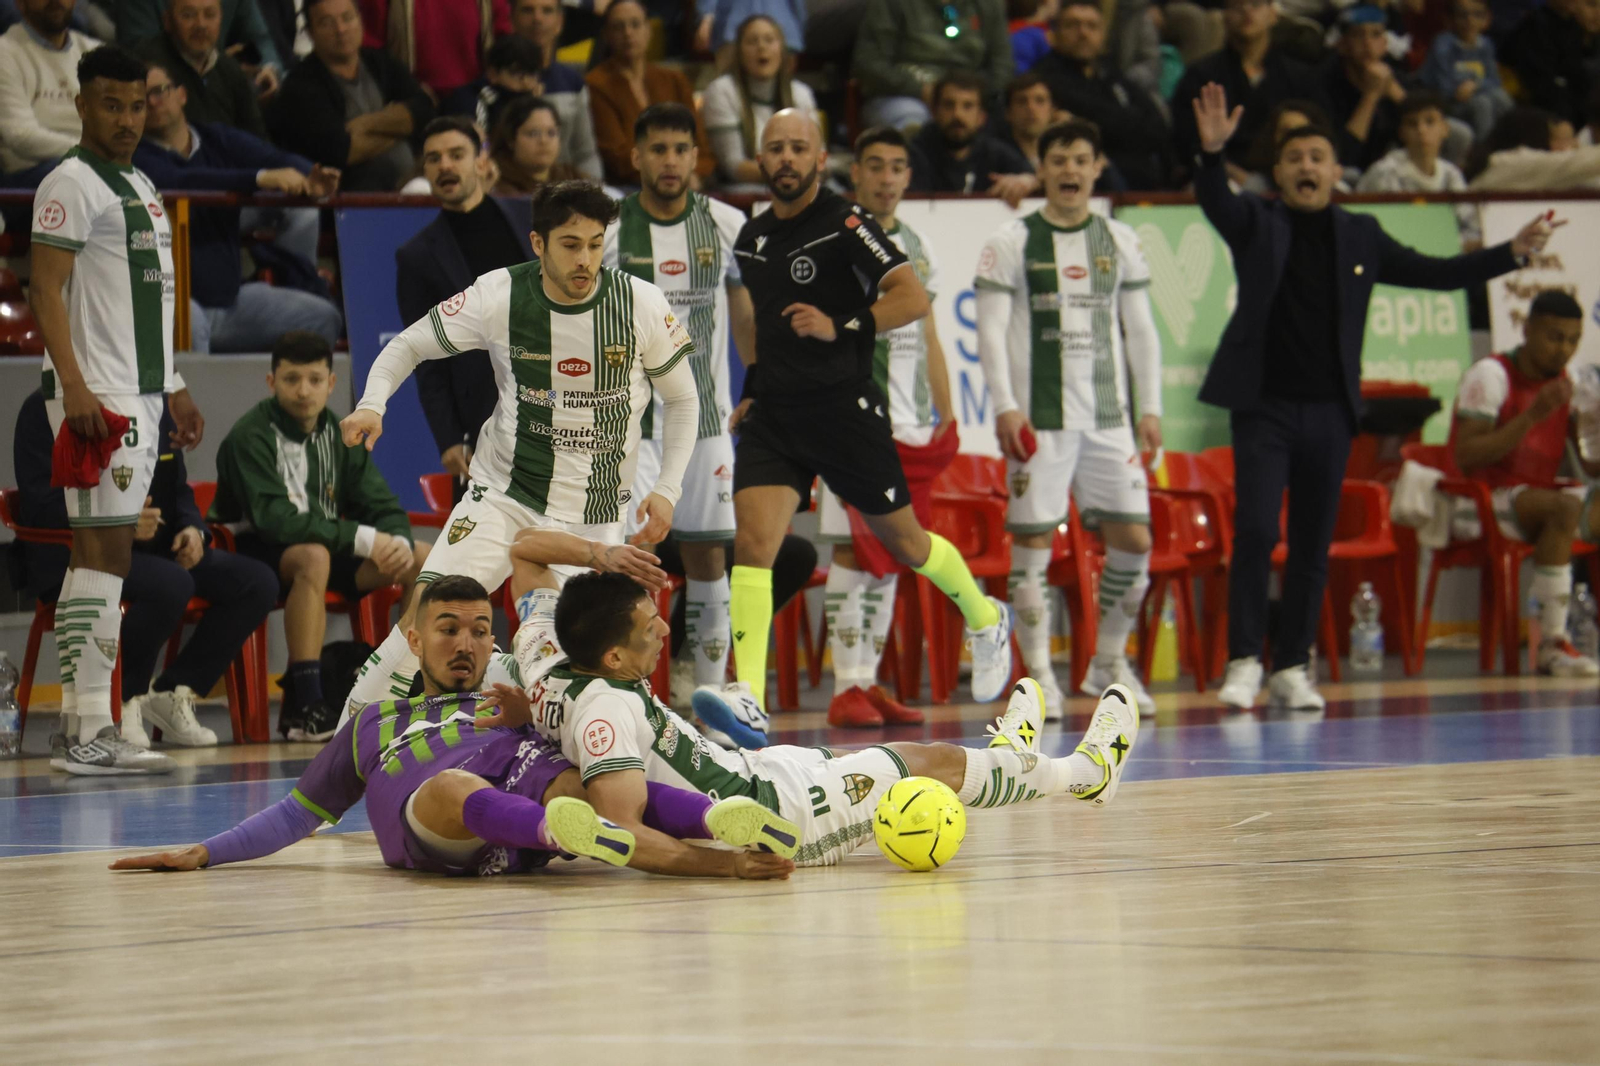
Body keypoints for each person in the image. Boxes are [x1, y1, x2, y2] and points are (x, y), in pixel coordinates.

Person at [1189, 82, 1561, 710]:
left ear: (1337, 171)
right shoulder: (1257, 222)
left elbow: (1438, 274)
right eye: (1295, 158)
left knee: (1313, 542)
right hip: (1264, 408)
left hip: (1331, 411)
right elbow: (1214, 203)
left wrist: (1509, 254)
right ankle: (1245, 661)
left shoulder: (1360, 234)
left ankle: (1293, 667)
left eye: (1318, 158)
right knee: (1254, 532)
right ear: (1277, 173)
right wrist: (1208, 157)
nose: (1307, 167)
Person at [109, 574, 800, 880]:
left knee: (585, 786)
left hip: (534, 815)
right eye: (448, 629)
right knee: (452, 785)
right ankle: (563, 830)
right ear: (413, 639)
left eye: (478, 629)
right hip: (445, 826)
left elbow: (614, 786)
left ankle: (723, 829)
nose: (466, 643)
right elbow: (298, 814)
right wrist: (204, 852)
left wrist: (730, 867)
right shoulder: (374, 725)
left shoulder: (510, 701)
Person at [507, 551, 1140, 871]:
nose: (665, 633)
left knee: (895, 760)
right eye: (651, 630)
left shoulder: (542, 659)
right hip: (779, 817)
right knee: (931, 763)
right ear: (615, 657)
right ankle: (1085, 775)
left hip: (754, 769)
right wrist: (728, 868)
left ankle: (1008, 760)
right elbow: (621, 830)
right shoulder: (603, 716)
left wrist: (601, 558)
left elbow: (525, 551)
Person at [336, 180, 703, 725]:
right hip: (503, 495)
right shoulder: (499, 295)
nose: (585, 260)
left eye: (596, 244)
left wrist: (668, 491)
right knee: (424, 613)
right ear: (538, 243)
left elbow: (684, 400)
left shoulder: (639, 303)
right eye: (570, 245)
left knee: (579, 673)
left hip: (592, 522)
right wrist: (372, 405)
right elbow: (408, 345)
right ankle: (340, 761)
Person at [706, 109, 1015, 725]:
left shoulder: (847, 223)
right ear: (760, 161)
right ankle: (750, 702)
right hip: (775, 417)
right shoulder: (751, 237)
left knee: (906, 544)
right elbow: (764, 329)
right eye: (775, 149)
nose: (787, 159)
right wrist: (756, 387)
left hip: (844, 409)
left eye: (799, 148)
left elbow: (912, 296)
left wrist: (842, 324)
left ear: (822, 160)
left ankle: (985, 619)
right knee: (753, 544)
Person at [27, 44, 206, 775]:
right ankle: (92, 730)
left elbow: (149, 302)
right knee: (106, 555)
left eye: (139, 104)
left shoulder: (138, 181)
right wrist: (73, 385)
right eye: (112, 104)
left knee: (95, 557)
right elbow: (44, 288)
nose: (129, 118)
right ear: (80, 103)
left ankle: (79, 724)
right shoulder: (67, 183)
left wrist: (174, 382)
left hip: (136, 390)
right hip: (96, 393)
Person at [975, 119, 1162, 720]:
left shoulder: (1119, 240)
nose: (1071, 171)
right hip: (1040, 420)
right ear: (1042, 166)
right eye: (1059, 160)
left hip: (1109, 421)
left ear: (1097, 167)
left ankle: (1107, 661)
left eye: (1082, 160)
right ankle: (1040, 679)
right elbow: (991, 332)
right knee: (1031, 546)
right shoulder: (1010, 241)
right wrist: (1004, 403)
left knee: (1135, 540)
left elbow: (1142, 333)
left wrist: (1151, 408)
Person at [14, 389, 278, 757]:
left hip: (157, 546)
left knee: (257, 583)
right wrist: (116, 522)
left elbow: (177, 485)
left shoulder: (148, 399)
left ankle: (171, 691)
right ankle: (122, 698)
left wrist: (193, 530)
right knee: (171, 584)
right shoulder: (45, 406)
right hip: (80, 551)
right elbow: (39, 505)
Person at [602, 103, 753, 712]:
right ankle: (627, 696)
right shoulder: (609, 228)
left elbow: (743, 307)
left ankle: (710, 699)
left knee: (709, 553)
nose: (670, 162)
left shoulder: (727, 223)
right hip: (633, 426)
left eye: (680, 150)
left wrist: (758, 381)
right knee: (629, 556)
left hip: (708, 422)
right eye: (657, 150)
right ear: (636, 156)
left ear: (696, 156)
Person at [211, 331, 430, 742]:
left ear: (331, 383)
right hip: (256, 553)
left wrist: (396, 540)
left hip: (328, 547)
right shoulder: (250, 436)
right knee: (313, 557)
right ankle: (307, 705)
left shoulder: (339, 432)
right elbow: (277, 521)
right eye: (292, 379)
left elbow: (380, 502)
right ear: (271, 381)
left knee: (421, 556)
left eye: (314, 379)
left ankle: (402, 683)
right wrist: (366, 541)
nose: (303, 390)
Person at [815, 126, 955, 730]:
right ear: (856, 175)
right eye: (876, 166)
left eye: (898, 167)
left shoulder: (914, 243)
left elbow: (927, 334)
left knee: (895, 549)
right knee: (851, 546)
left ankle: (866, 682)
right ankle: (846, 683)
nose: (888, 178)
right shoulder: (836, 236)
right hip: (852, 418)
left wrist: (946, 414)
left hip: (910, 420)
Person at [133, 59, 342, 353]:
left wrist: (312, 177)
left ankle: (297, 284)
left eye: (159, 91)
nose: (152, 103)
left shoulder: (216, 138)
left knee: (322, 318)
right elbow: (181, 180)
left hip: (231, 302)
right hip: (176, 303)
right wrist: (260, 178)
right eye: (140, 101)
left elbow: (275, 158)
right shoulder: (134, 156)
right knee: (187, 323)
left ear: (181, 95)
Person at [1451, 291, 1600, 676]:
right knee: (1564, 507)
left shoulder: (1569, 383)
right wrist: (1534, 414)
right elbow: (1466, 457)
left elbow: (1589, 466)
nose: (1563, 350)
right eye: (1554, 337)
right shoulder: (1491, 375)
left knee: (1570, 506)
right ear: (1527, 329)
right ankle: (1551, 644)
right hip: (1480, 501)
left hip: (1536, 501)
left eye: (1572, 340)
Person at [396, 116, 535, 497]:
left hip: (556, 400)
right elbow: (426, 358)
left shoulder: (531, 218)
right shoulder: (417, 257)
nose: (445, 166)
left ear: (481, 160)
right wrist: (448, 439)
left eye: (456, 154)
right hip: (484, 421)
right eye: (433, 158)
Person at [268, 0, 435, 192]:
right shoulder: (300, 85)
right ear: (310, 33)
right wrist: (401, 126)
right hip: (349, 197)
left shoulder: (381, 62)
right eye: (327, 23)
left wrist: (366, 124)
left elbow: (425, 111)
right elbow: (341, 151)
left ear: (360, 20)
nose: (341, 30)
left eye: (347, 18)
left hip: (413, 187)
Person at [1170, 0, 1323, 184]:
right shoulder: (1201, 75)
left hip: (1288, 176)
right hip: (1219, 176)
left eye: (1256, 4)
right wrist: (1230, 172)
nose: (1247, 12)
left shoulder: (1300, 76)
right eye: (1237, 5)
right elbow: (1187, 140)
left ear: (1274, 14)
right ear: (1224, 16)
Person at [1031, 0, 1173, 191]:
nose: (1083, 33)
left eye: (1092, 26)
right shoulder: (1044, 80)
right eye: (1073, 25)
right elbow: (1105, 124)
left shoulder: (1110, 73)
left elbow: (1158, 126)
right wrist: (1129, 123)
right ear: (1052, 35)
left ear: (1102, 35)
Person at [586, 0, 715, 188]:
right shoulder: (596, 84)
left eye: (635, 24)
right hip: (630, 186)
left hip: (685, 181)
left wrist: (691, 174)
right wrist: (672, 175)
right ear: (606, 35)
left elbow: (701, 147)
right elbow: (617, 156)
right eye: (618, 26)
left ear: (649, 30)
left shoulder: (674, 79)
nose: (628, 33)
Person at [851, 0, 1014, 132]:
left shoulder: (989, 4)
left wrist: (977, 95)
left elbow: (1003, 65)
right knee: (913, 122)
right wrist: (921, 89)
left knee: (1011, 118)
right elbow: (868, 63)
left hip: (971, 94)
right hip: (906, 95)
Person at [700, 14, 817, 189]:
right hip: (743, 188)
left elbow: (817, 155)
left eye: (769, 40)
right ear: (739, 51)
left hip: (798, 185)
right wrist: (789, 175)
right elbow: (733, 166)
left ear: (782, 49)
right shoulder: (721, 91)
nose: (762, 47)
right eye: (752, 41)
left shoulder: (801, 93)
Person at [1356, 91, 1481, 244]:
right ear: (1401, 132)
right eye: (1412, 124)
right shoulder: (1384, 172)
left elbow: (1469, 225)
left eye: (1429, 121)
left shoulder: (1451, 174)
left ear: (1445, 129)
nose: (1421, 130)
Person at [133, 0, 267, 139]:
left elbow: (259, 140)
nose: (201, 25)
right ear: (168, 21)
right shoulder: (148, 68)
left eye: (210, 15)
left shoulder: (230, 69)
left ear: (221, 18)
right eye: (188, 15)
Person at [0, 0, 100, 182]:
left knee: (157, 174)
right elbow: (20, 135)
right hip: (32, 172)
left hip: (96, 164)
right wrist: (90, 152)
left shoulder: (96, 51)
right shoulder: (5, 52)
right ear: (20, 3)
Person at [501, 0, 601, 180]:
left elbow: (585, 153)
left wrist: (594, 193)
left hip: (566, 190)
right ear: (512, 20)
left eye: (547, 11)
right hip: (509, 189)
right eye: (527, 10)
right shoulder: (495, 83)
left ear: (560, 22)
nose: (537, 19)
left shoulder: (572, 82)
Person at [357, 0, 508, 113]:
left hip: (476, 99)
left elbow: (504, 38)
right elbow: (371, 51)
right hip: (411, 102)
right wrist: (409, 88)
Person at [907, 70, 1034, 198]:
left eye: (967, 106)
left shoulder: (994, 152)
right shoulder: (915, 154)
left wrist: (1025, 181)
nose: (958, 114)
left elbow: (1031, 176)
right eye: (949, 105)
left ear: (982, 116)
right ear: (934, 111)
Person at [116, 0, 282, 93]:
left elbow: (260, 38)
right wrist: (217, 62)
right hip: (165, 90)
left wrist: (269, 69)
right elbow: (141, 55)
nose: (201, 24)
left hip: (220, 82)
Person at [1420, 0, 1514, 142]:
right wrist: (1462, 90)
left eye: (1477, 15)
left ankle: (1511, 142)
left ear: (1487, 19)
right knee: (1482, 103)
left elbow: (1495, 80)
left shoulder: (1486, 45)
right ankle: (1482, 150)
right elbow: (1442, 87)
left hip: (1474, 95)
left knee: (1501, 97)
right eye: (1462, 15)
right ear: (1449, 19)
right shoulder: (1443, 45)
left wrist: (1475, 85)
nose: (1470, 20)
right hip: (1448, 103)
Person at [1503, 0, 1600, 129]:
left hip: (1572, 98)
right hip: (1545, 104)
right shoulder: (1534, 25)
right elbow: (1541, 81)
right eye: (1591, 5)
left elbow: (1577, 74)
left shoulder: (1573, 26)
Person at [488, 93, 582, 197]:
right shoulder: (495, 184)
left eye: (551, 133)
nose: (544, 141)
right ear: (511, 140)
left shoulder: (572, 178)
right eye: (533, 133)